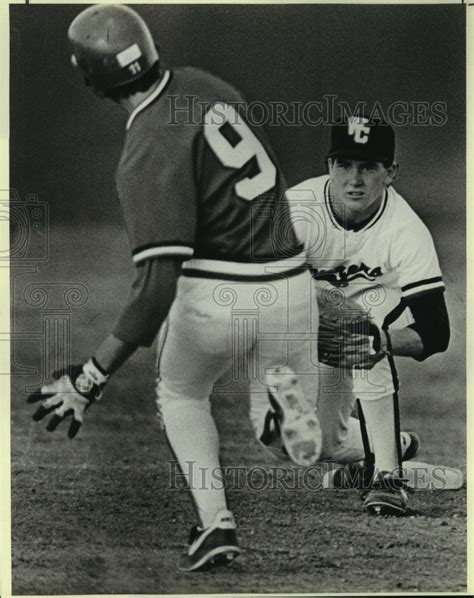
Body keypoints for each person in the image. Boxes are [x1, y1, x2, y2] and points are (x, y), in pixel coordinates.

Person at [26, 5, 322, 571]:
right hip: (290, 284)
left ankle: (216, 524)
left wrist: (90, 378)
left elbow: (156, 285)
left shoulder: (143, 152)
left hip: (217, 295)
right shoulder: (207, 86)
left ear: (92, 80)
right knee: (279, 434)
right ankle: (275, 416)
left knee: (181, 394)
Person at [284, 115, 450, 516]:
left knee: (363, 331)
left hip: (376, 302)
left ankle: (388, 478)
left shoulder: (405, 230)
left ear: (390, 173)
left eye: (369, 167)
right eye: (344, 164)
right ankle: (392, 446)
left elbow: (435, 331)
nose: (354, 179)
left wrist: (381, 341)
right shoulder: (295, 211)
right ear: (328, 166)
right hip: (313, 313)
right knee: (317, 445)